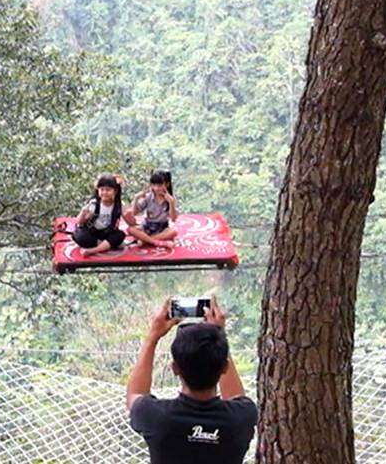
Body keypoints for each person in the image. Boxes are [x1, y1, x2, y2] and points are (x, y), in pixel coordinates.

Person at [126, 296, 257, 464]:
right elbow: (236, 398)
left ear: (175, 368)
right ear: (224, 368)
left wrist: (153, 336)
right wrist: (218, 333)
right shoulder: (242, 416)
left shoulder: (157, 417)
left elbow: (135, 395)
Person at [73, 174, 128, 257]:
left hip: (107, 232)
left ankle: (92, 250)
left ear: (115, 191)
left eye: (108, 190)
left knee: (120, 235)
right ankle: (104, 246)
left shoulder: (119, 205)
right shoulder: (94, 204)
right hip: (92, 233)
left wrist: (129, 214)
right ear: (98, 190)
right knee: (80, 236)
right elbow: (79, 222)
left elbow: (131, 222)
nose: (104, 193)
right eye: (102, 189)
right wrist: (83, 214)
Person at [127, 170, 178, 249]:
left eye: (160, 185)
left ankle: (144, 240)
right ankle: (157, 242)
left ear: (167, 184)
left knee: (174, 232)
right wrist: (136, 198)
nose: (156, 188)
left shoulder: (170, 199)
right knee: (131, 229)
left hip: (162, 227)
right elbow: (134, 213)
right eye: (154, 185)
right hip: (147, 226)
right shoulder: (148, 196)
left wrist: (171, 203)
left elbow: (173, 219)